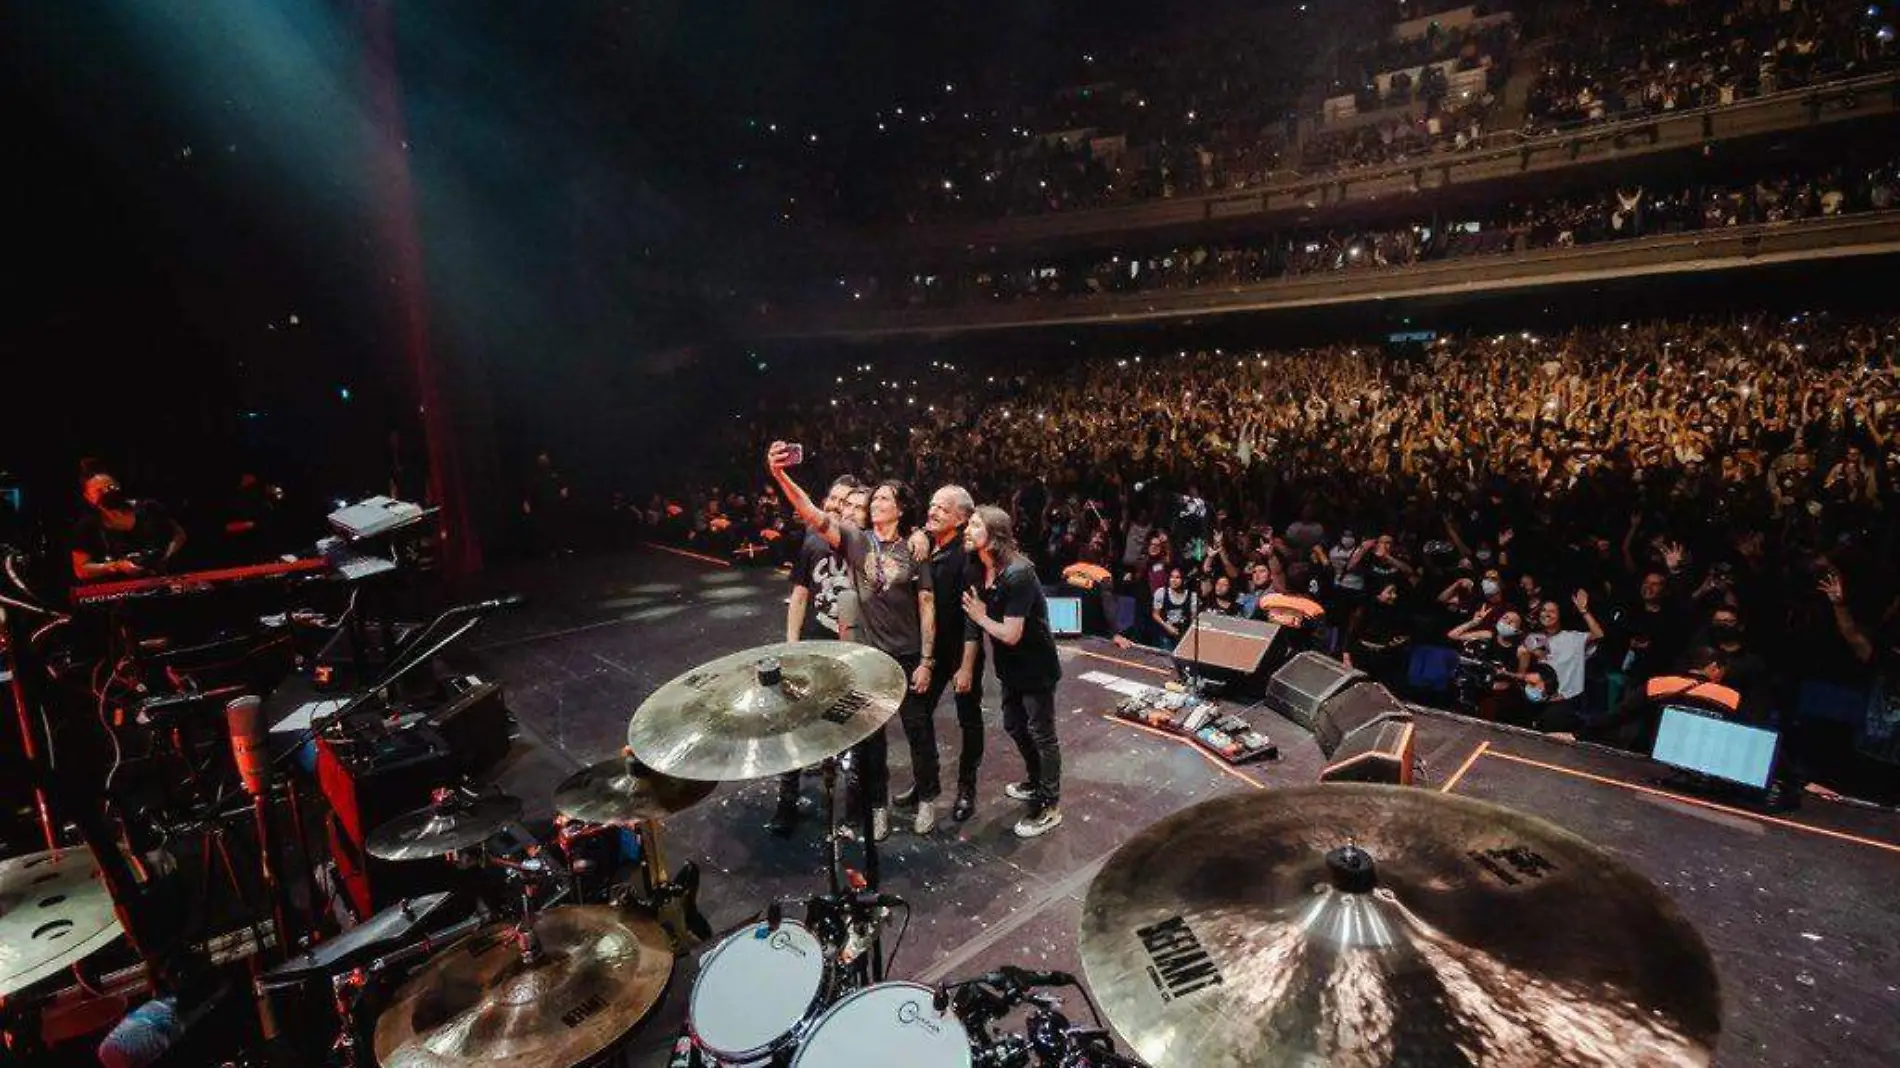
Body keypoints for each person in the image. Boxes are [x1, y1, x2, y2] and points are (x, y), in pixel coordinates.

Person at [768, 442, 934, 843]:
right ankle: (863, 808)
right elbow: (809, 518)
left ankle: (913, 801)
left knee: (904, 733)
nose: (872, 504)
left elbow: (928, 602)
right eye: (871, 498)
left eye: (881, 499)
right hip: (852, 654)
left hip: (892, 654)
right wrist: (779, 475)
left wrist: (928, 659)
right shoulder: (851, 542)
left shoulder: (909, 546)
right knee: (855, 737)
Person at [961, 505, 1064, 838]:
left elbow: (1011, 633)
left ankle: (1049, 805)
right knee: (1015, 726)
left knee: (1042, 733)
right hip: (1010, 667)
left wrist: (979, 616)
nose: (967, 528)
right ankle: (1036, 782)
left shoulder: (1019, 573)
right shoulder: (979, 567)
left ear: (994, 536)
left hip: (1035, 667)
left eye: (975, 525)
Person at [769, 473, 862, 836]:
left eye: (847, 502)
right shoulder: (812, 540)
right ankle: (786, 801)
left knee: (846, 725)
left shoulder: (862, 545)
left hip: (850, 650)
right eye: (835, 498)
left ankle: (853, 811)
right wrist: (791, 644)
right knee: (795, 722)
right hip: (812, 644)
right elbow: (800, 594)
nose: (837, 506)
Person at [894, 485, 987, 829]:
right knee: (917, 716)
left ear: (961, 518)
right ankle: (923, 783)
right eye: (931, 505)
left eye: (941, 509)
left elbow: (972, 618)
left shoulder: (968, 557)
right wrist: (919, 531)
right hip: (929, 652)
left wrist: (965, 666)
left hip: (961, 653)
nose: (931, 512)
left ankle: (967, 789)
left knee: (969, 721)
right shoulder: (926, 543)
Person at [71, 472, 186, 583]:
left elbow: (178, 534)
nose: (107, 493)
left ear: (118, 486)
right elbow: (81, 570)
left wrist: (164, 556)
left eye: (110, 487)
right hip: (116, 591)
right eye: (99, 491)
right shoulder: (87, 527)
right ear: (88, 497)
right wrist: (117, 566)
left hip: (160, 580)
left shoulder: (148, 508)